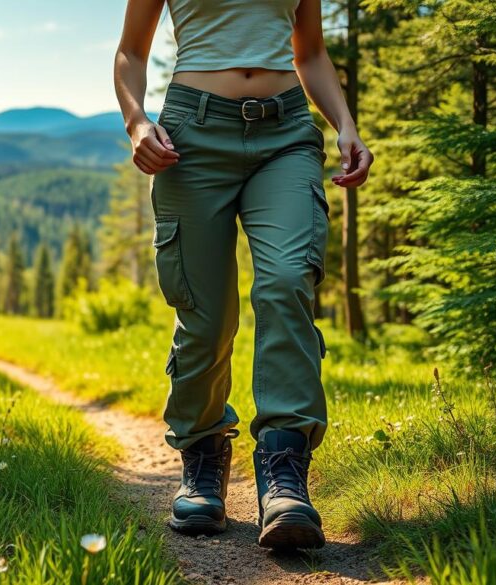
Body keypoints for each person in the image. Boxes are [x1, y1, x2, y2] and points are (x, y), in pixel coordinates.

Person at [113, 0, 373, 550]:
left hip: (287, 135)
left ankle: (284, 472)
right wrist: (137, 121)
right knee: (206, 315)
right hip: (190, 137)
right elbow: (131, 52)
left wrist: (345, 125)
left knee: (285, 283)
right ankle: (202, 457)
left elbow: (312, 53)